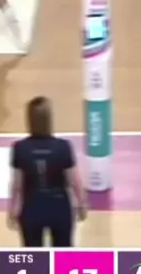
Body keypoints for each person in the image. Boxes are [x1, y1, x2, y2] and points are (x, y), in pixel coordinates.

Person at [7, 96, 87, 247]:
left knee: (34, 254)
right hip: (59, 207)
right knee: (63, 253)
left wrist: (12, 209)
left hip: (32, 207)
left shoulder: (20, 148)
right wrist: (82, 203)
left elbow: (16, 184)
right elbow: (73, 180)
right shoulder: (63, 147)